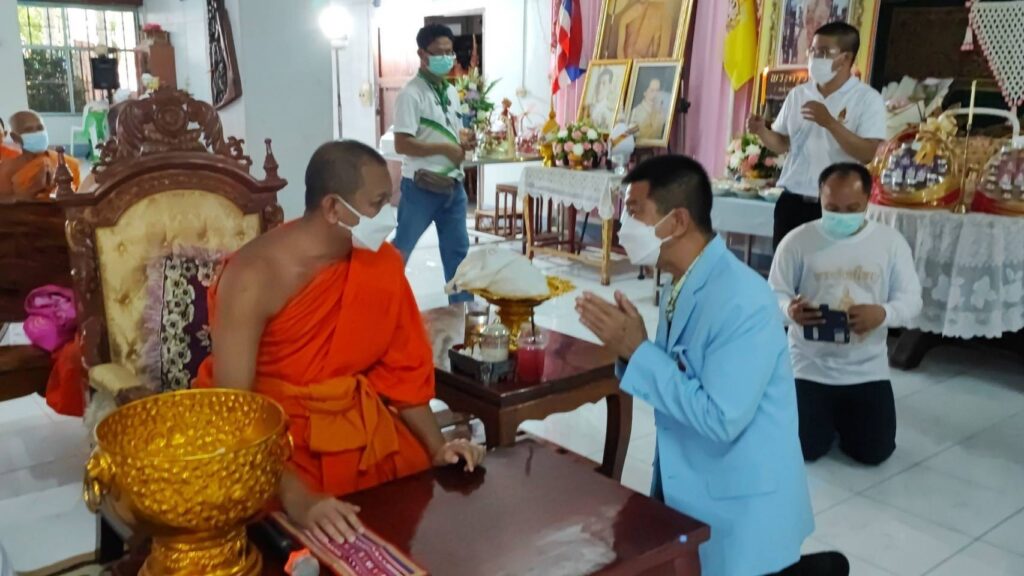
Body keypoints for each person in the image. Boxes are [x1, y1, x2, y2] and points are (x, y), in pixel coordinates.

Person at [193, 140, 485, 544]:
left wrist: (438, 446)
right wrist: (296, 497)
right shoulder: (253, 276)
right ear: (333, 208)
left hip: (357, 428)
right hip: (274, 441)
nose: (389, 216)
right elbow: (234, 410)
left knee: (420, 506)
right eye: (377, 203)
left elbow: (401, 374)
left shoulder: (378, 263)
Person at [575, 155, 813, 576]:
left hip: (743, 509)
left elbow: (721, 417)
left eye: (635, 213)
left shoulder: (742, 299)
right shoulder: (682, 281)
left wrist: (638, 351)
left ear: (678, 221)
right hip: (690, 481)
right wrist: (631, 351)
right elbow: (678, 375)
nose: (623, 225)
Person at [769, 163, 922, 465]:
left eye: (852, 209)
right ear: (820, 198)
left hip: (866, 369)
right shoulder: (797, 241)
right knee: (804, 450)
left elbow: (912, 301)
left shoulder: (890, 243)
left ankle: (842, 420)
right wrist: (790, 310)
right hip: (809, 366)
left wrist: (883, 313)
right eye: (832, 208)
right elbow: (772, 295)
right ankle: (822, 417)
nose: (841, 216)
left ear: (868, 199)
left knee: (874, 453)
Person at [748, 22, 885, 248]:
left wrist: (830, 123)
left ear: (845, 58)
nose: (814, 58)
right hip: (792, 201)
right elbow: (782, 143)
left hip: (837, 206)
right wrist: (762, 131)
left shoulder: (867, 99)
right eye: (812, 51)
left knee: (832, 268)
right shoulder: (798, 94)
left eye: (823, 52)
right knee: (785, 266)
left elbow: (868, 152)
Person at [391, 24, 475, 304]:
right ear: (422, 54)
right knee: (401, 251)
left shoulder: (450, 92)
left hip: (453, 187)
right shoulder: (410, 94)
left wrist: (464, 141)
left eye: (450, 52)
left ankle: (463, 313)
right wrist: (445, 149)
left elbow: (451, 132)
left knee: (459, 256)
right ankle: (381, 306)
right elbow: (402, 143)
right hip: (421, 188)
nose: (446, 58)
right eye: (439, 52)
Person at [0, 111, 81, 198]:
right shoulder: (6, 170)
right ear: (15, 137)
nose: (36, 133)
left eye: (40, 128)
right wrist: (32, 189)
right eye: (28, 130)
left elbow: (79, 198)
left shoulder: (69, 164)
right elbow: (5, 203)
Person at [587, 68, 617, 133]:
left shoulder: (608, 112)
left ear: (610, 86)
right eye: (599, 83)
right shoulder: (589, 107)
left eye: (604, 83)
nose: (600, 87)